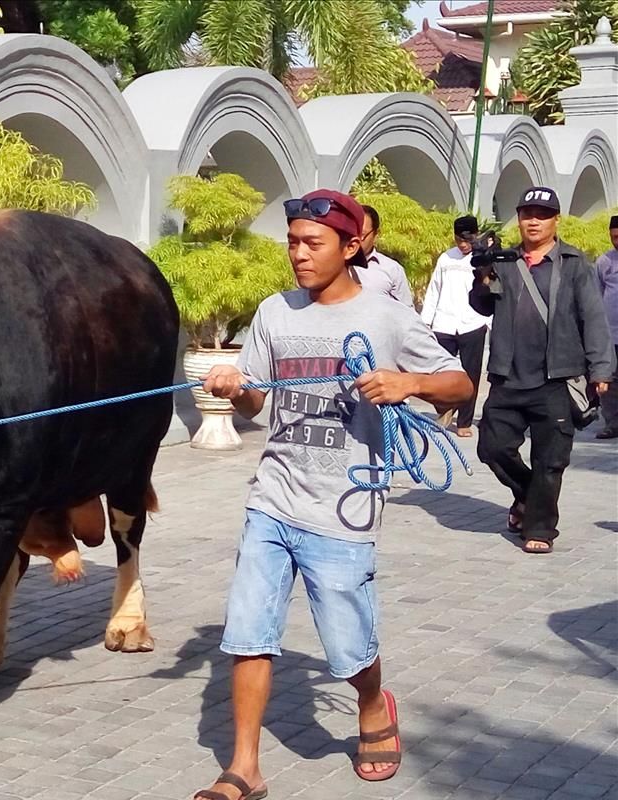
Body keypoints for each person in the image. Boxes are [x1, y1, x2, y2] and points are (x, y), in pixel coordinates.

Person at [193, 189, 472, 800]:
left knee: (347, 647)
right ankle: (244, 767)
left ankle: (373, 704)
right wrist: (232, 386)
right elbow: (255, 399)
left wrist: (409, 382)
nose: (298, 254)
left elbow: (460, 382)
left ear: (351, 247)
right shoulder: (275, 313)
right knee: (248, 632)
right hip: (273, 496)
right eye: (292, 241)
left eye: (312, 243)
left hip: (344, 505)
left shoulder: (387, 316)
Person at [470, 187, 614, 554]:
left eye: (542, 214)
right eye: (527, 214)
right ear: (518, 219)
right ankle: (528, 494)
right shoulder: (503, 260)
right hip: (507, 375)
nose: (533, 221)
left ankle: (540, 528)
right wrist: (482, 275)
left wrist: (601, 369)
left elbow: (593, 319)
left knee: (550, 460)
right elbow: (481, 306)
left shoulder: (574, 263)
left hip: (556, 379)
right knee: (492, 447)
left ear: (555, 220)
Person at [421, 215, 491, 438]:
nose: (462, 245)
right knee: (437, 372)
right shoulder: (445, 259)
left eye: (467, 240)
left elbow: (491, 291)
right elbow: (434, 290)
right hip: (445, 322)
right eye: (459, 240)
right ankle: (444, 408)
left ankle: (464, 421)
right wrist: (425, 322)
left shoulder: (483, 259)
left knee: (471, 374)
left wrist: (489, 322)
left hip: (473, 322)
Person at [357, 205, 414, 307]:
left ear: (376, 234)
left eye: (361, 234)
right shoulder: (333, 266)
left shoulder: (392, 269)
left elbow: (406, 312)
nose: (354, 239)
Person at [595, 215, 618, 439]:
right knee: (609, 382)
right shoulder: (604, 262)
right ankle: (612, 423)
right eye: (613, 237)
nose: (616, 241)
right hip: (611, 335)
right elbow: (596, 295)